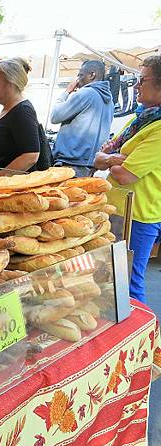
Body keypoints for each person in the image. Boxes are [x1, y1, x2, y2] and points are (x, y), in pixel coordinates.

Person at [93, 56, 161, 302]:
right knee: (106, 279)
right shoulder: (141, 118)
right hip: (114, 209)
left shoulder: (158, 127)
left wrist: (112, 159)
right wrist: (115, 158)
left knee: (129, 282)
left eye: (142, 80)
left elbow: (124, 175)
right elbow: (99, 155)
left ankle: (144, 337)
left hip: (138, 216)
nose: (135, 86)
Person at [50, 60, 114, 177]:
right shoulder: (110, 101)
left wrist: (66, 92)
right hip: (89, 165)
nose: (77, 79)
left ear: (92, 75)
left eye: (80, 75)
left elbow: (55, 116)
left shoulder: (86, 93)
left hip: (70, 163)